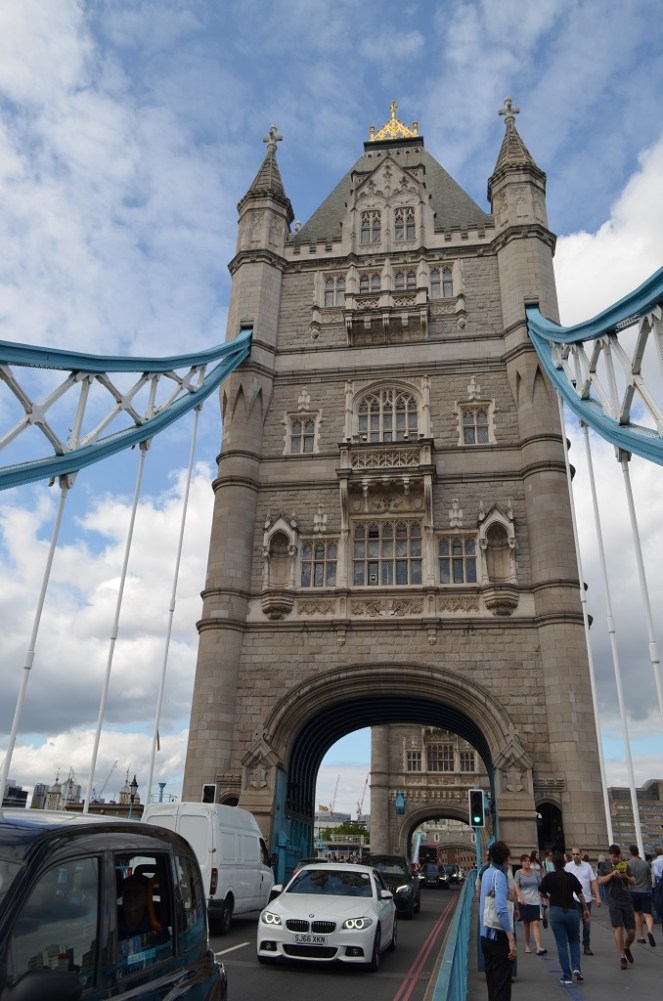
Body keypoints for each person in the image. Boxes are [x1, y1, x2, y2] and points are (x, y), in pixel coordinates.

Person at [539, 851, 590, 985]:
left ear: (553, 864)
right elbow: (580, 895)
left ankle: (566, 975)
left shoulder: (549, 877)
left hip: (556, 911)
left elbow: (540, 891)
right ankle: (577, 968)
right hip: (572, 911)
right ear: (564, 863)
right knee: (574, 940)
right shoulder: (571, 877)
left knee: (561, 944)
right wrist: (585, 910)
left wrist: (549, 897)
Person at [479, 841, 517, 1001]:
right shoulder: (499, 875)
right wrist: (511, 939)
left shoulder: (487, 872)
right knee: (502, 987)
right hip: (497, 936)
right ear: (504, 858)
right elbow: (501, 909)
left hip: (484, 934)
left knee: (492, 985)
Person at [597, 844, 637, 970]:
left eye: (617, 857)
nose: (615, 859)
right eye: (613, 857)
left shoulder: (625, 865)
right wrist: (611, 875)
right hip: (613, 900)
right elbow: (600, 881)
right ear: (610, 856)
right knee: (618, 928)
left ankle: (626, 947)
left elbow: (634, 882)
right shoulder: (605, 866)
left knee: (631, 932)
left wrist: (626, 876)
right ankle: (622, 957)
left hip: (626, 899)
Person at [565, 845, 601, 955]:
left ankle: (586, 946)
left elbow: (593, 881)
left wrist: (598, 896)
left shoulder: (587, 866)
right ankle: (575, 944)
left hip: (587, 899)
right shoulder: (568, 867)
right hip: (574, 899)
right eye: (573, 854)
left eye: (577, 854)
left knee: (587, 924)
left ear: (581, 855)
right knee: (575, 924)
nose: (575, 856)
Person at [514, 854, 546, 955]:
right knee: (526, 924)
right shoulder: (518, 873)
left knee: (536, 923)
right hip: (524, 901)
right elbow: (516, 887)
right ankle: (527, 946)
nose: (527, 863)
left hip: (535, 901)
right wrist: (520, 897)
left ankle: (538, 947)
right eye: (525, 861)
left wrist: (544, 899)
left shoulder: (535, 873)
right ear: (521, 863)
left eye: (528, 861)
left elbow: (540, 887)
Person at [627, 844, 656, 946]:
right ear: (638, 852)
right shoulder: (645, 864)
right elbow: (650, 879)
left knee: (637, 914)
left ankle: (641, 937)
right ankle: (650, 932)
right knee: (648, 914)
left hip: (634, 892)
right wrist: (648, 887)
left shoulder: (627, 864)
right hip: (645, 892)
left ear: (630, 853)